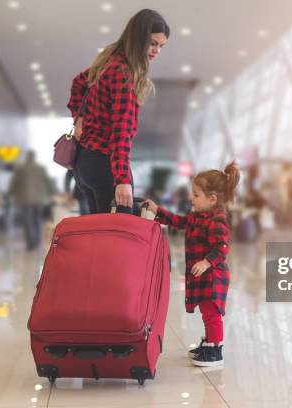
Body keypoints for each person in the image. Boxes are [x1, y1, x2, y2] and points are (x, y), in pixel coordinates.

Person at [68, 9, 170, 214]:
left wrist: (78, 118)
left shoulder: (108, 61)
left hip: (84, 163)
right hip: (106, 167)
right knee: (118, 239)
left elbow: (78, 82)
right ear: (138, 37)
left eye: (161, 46)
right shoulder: (124, 73)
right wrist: (122, 180)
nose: (156, 50)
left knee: (101, 236)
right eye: (152, 43)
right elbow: (120, 132)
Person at [145, 162, 241, 367]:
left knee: (212, 314)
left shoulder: (217, 220)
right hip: (204, 277)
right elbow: (179, 222)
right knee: (208, 313)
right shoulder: (198, 217)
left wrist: (207, 262)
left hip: (213, 278)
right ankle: (209, 344)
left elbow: (222, 248)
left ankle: (215, 350)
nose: (191, 198)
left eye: (196, 195)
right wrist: (158, 211)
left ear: (212, 199)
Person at [8, 151, 55, 251]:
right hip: (39, 199)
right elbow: (48, 182)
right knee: (37, 219)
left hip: (25, 199)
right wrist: (51, 193)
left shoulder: (20, 169)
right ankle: (37, 241)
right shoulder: (41, 168)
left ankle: (31, 243)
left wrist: (11, 194)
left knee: (28, 220)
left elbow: (14, 183)